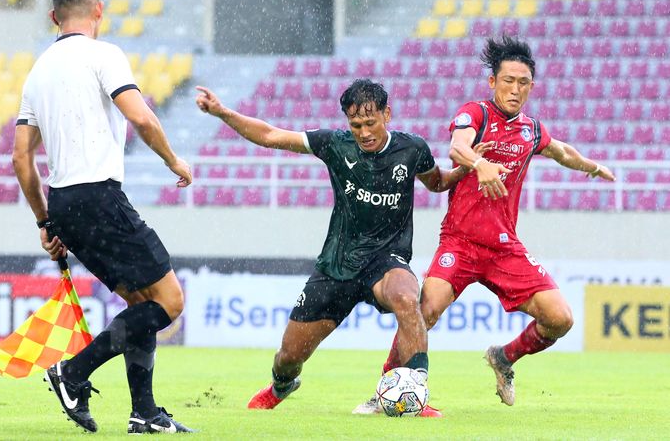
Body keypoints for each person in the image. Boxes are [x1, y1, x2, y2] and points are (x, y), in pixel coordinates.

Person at [353, 35, 616, 414]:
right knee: (424, 312)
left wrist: (592, 167)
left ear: (531, 87)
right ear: (492, 82)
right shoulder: (476, 114)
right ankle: (386, 390)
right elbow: (457, 147)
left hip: (504, 247)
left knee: (560, 319)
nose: (515, 89)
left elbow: (562, 152)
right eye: (507, 81)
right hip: (459, 243)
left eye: (523, 83)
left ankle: (505, 357)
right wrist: (480, 164)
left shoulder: (531, 130)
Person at [195, 79, 489, 416]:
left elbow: (436, 182)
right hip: (337, 266)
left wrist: (465, 169)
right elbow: (271, 135)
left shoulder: (412, 149)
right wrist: (222, 113)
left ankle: (414, 390)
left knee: (409, 299)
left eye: (370, 123)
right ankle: (281, 385)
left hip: (386, 259)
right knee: (289, 357)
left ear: (387, 114)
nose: (363, 132)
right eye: (356, 125)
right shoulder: (336, 144)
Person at [12, 0, 195, 434]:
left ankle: (144, 413)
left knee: (140, 304)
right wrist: (174, 161)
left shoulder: (38, 72)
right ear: (99, 9)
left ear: (53, 16)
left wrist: (46, 222)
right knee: (169, 301)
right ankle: (72, 372)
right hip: (99, 194)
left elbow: (21, 158)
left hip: (64, 203)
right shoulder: (103, 54)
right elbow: (142, 118)